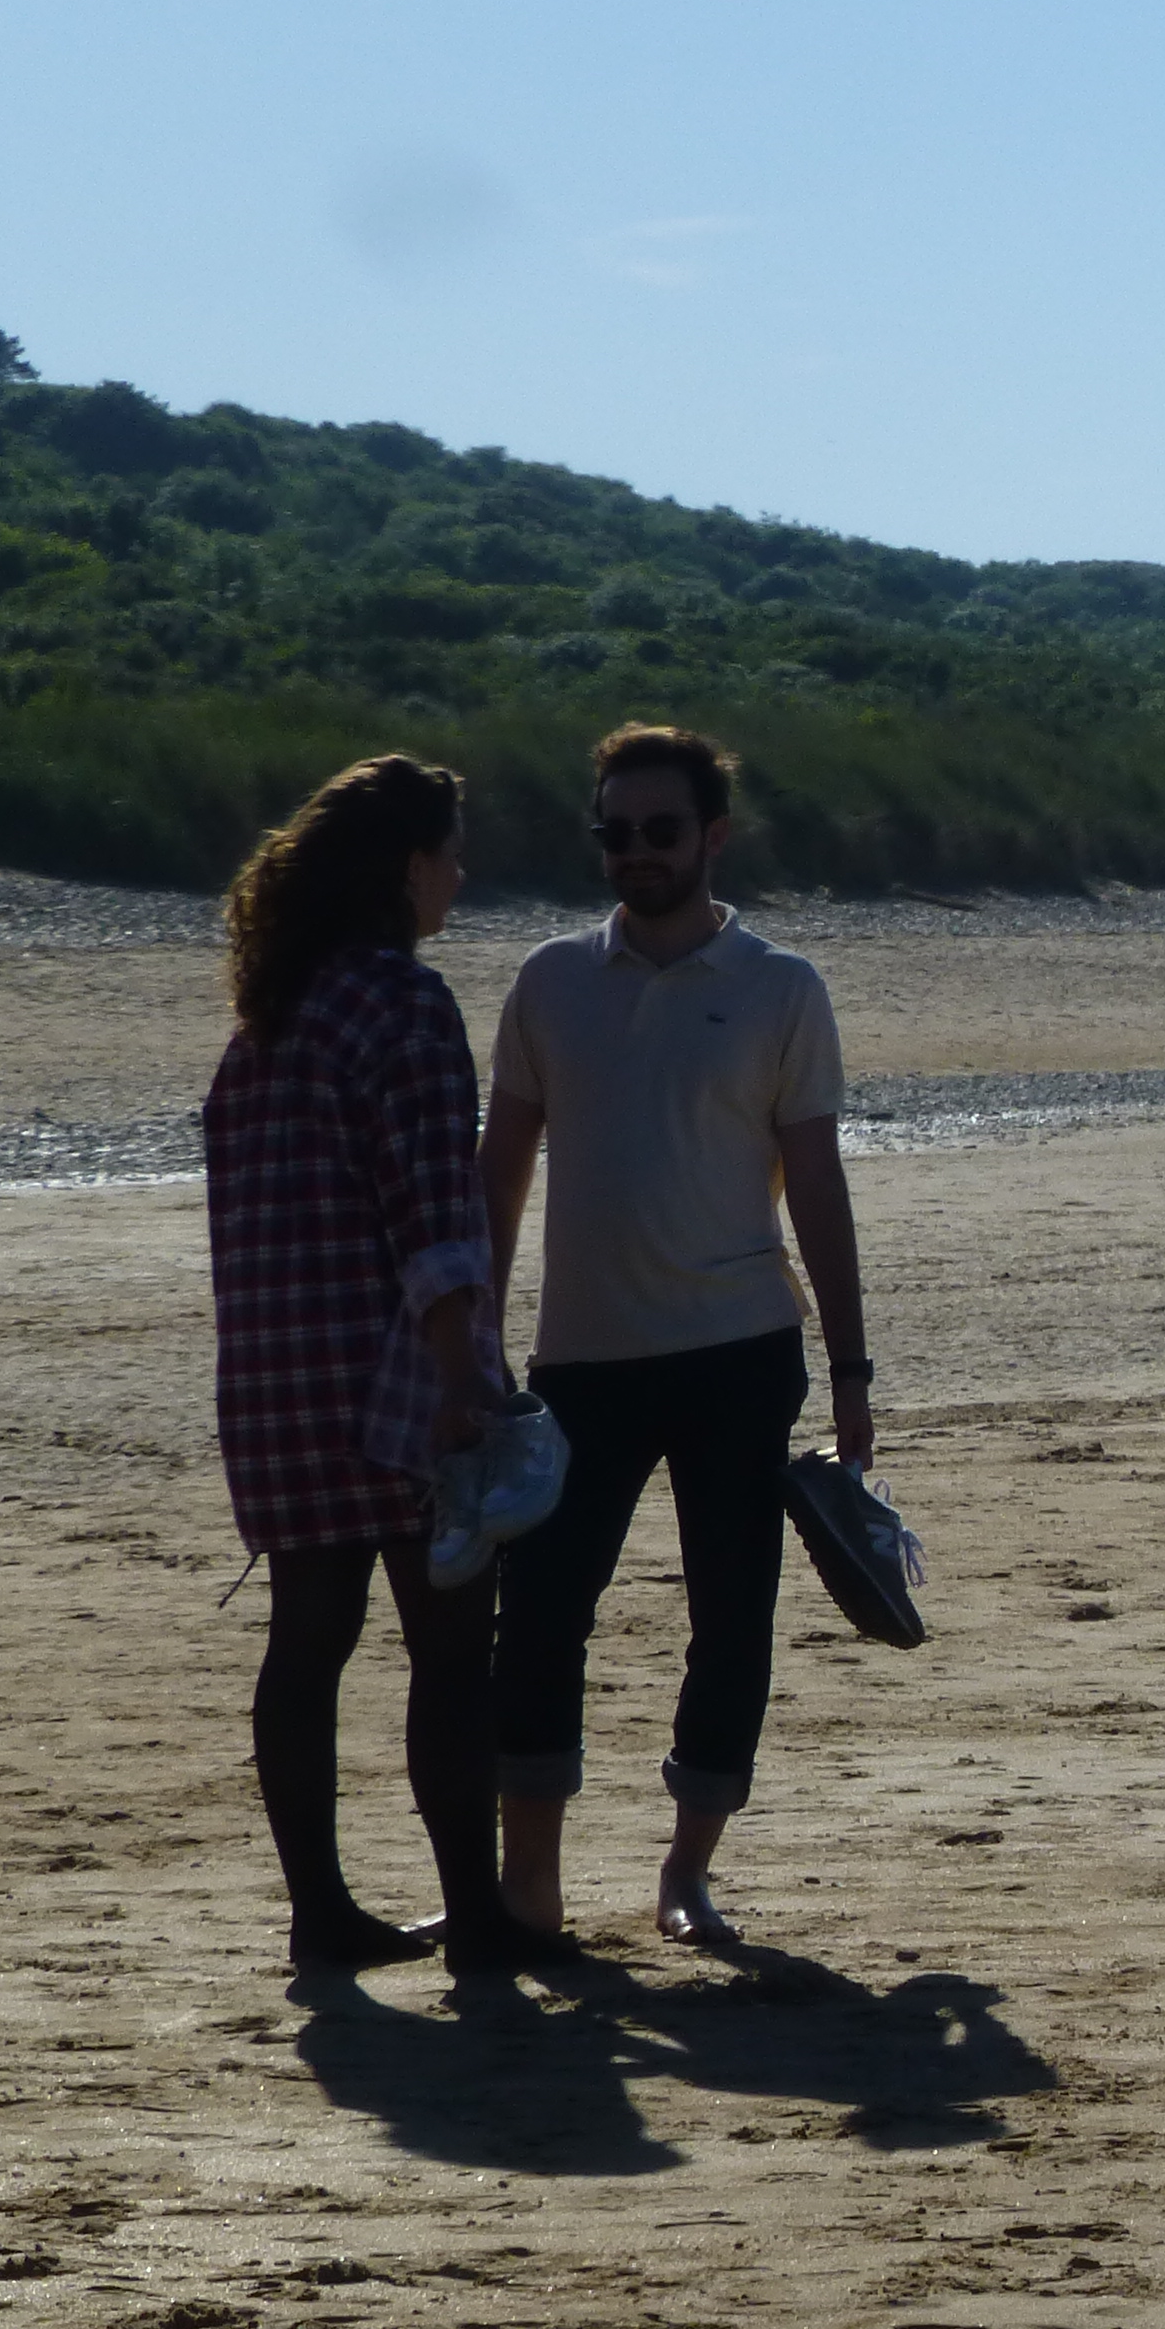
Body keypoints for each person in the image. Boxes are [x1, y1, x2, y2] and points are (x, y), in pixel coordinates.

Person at [482, 725, 872, 1951]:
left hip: (739, 1353)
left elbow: (818, 1185)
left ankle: (687, 1876)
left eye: (659, 830)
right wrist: (474, 1348)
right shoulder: (550, 981)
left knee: (732, 1618)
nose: (634, 852)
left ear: (714, 837)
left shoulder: (781, 987)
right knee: (539, 1614)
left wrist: (853, 1372)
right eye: (614, 832)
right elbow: (501, 1171)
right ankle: (529, 1888)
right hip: (580, 1361)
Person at [202, 755, 513, 1970]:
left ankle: (319, 1913)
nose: (461, 878)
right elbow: (432, 1210)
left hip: (272, 1381)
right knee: (452, 1649)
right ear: (409, 868)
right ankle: (476, 1917)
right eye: (452, 855)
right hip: (389, 1378)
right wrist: (463, 1378)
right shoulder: (403, 1004)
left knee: (307, 1642)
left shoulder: (268, 1022)